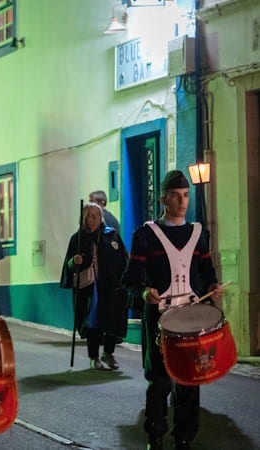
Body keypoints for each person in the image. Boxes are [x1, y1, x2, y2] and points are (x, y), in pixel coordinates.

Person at [121, 170, 223, 450]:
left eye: (186, 196)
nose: (182, 202)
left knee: (190, 380)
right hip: (159, 317)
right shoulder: (145, 236)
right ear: (163, 199)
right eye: (176, 196)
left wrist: (212, 286)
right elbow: (131, 278)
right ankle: (155, 435)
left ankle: (184, 438)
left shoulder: (199, 235)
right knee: (160, 381)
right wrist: (144, 292)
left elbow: (206, 273)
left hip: (191, 318)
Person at [59, 202, 129, 370]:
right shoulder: (78, 239)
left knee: (112, 319)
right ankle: (94, 357)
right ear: (84, 218)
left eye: (97, 215)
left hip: (111, 286)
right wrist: (74, 261)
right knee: (93, 321)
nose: (94, 218)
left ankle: (109, 353)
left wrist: (127, 280)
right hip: (89, 287)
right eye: (90, 216)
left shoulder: (111, 235)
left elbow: (123, 259)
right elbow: (69, 264)